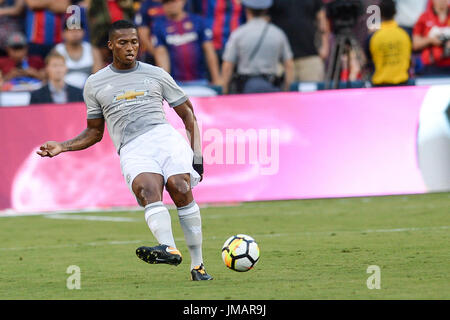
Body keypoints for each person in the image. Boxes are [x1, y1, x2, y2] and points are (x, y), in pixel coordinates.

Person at [36, 20, 212, 281]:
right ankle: (169, 248)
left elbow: (188, 114)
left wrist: (197, 156)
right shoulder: (95, 83)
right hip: (131, 146)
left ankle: (198, 265)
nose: (130, 48)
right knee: (146, 190)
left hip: (164, 137)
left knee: (180, 187)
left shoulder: (157, 73)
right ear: (110, 46)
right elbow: (95, 132)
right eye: (123, 43)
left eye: (134, 42)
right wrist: (62, 146)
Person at [221, 0, 294, 94]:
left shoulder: (238, 34)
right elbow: (289, 65)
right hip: (271, 88)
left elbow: (227, 66)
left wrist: (224, 91)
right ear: (266, 10)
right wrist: (286, 90)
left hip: (246, 90)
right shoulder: (278, 33)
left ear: (247, 10)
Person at [152, 0, 221, 85]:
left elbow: (209, 51)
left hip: (200, 80)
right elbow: (161, 55)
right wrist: (166, 84)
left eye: (174, 1)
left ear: (183, 1)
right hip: (175, 83)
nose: (170, 5)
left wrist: (216, 78)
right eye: (166, 2)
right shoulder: (159, 26)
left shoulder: (198, 21)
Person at [270, 0, 329, 82]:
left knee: (313, 93)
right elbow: (266, 18)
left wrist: (325, 45)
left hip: (310, 57)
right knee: (282, 94)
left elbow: (321, 17)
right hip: (281, 60)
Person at [366, 0, 412, 86]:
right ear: (395, 12)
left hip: (380, 87)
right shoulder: (405, 34)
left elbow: (367, 60)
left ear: (380, 14)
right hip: (403, 86)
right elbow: (409, 58)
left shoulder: (372, 37)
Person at [54, 20, 103, 89]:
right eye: (71, 30)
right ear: (63, 34)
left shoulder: (93, 50)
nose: (74, 33)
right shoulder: (58, 50)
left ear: (84, 32)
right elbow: (53, 76)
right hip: (64, 90)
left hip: (88, 90)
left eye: (78, 30)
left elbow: (98, 77)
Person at [413, 0, 450, 75]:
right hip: (431, 66)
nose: (441, 1)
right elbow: (415, 44)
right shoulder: (424, 17)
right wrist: (431, 40)